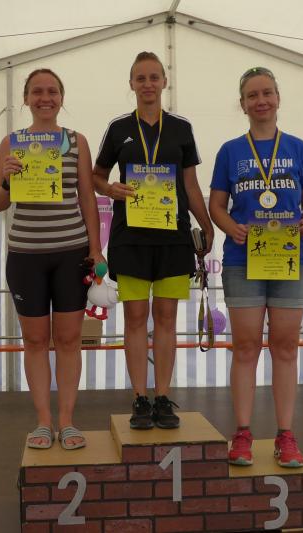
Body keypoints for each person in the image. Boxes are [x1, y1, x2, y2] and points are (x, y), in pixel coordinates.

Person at [92, 52, 214, 430]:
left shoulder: (181, 128)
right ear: (131, 84)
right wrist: (109, 189)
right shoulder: (118, 128)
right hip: (129, 238)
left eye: (154, 77)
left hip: (173, 237)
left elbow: (190, 184)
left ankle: (162, 397)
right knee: (134, 318)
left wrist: (206, 224)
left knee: (166, 318)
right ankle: (139, 399)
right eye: (140, 78)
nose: (147, 84)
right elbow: (96, 175)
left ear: (164, 81)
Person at [209, 67, 303, 467]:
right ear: (242, 104)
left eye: (267, 93)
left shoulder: (298, 148)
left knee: (286, 347)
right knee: (245, 347)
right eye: (253, 95)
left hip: (290, 257)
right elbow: (216, 206)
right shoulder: (230, 151)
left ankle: (285, 435)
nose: (261, 101)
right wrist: (231, 228)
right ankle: (242, 433)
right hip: (244, 259)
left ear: (278, 98)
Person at [0, 68, 104, 450]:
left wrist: (95, 249)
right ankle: (43, 422)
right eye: (37, 92)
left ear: (61, 98)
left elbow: (87, 197)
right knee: (35, 340)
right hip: (25, 255)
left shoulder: (76, 141)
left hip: (71, 253)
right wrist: (7, 181)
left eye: (52, 91)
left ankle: (67, 422)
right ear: (26, 99)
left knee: (69, 339)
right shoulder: (12, 143)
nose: (45, 98)